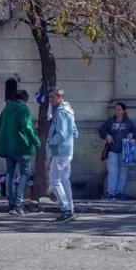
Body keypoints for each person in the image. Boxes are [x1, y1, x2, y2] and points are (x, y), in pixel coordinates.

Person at [0, 89, 40, 215]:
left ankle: (10, 203)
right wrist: (36, 142)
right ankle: (17, 204)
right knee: (25, 174)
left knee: (10, 174)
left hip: (7, 147)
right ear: (25, 99)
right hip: (21, 147)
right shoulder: (24, 109)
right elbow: (27, 127)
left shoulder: (6, 109)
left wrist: (7, 136)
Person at [46, 88, 78, 223]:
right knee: (65, 180)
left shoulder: (60, 112)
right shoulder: (69, 110)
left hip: (60, 151)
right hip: (68, 150)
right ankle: (70, 208)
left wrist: (51, 141)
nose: (50, 100)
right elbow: (75, 132)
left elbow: (62, 133)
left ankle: (65, 209)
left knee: (54, 181)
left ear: (60, 97)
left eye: (52, 97)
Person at [98, 103, 136, 200]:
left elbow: (135, 131)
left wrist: (131, 134)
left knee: (123, 171)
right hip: (113, 149)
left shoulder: (128, 122)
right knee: (112, 171)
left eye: (119, 109)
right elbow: (102, 131)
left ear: (124, 111)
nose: (117, 111)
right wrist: (107, 135)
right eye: (116, 109)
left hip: (125, 151)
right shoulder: (110, 121)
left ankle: (119, 191)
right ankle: (111, 192)